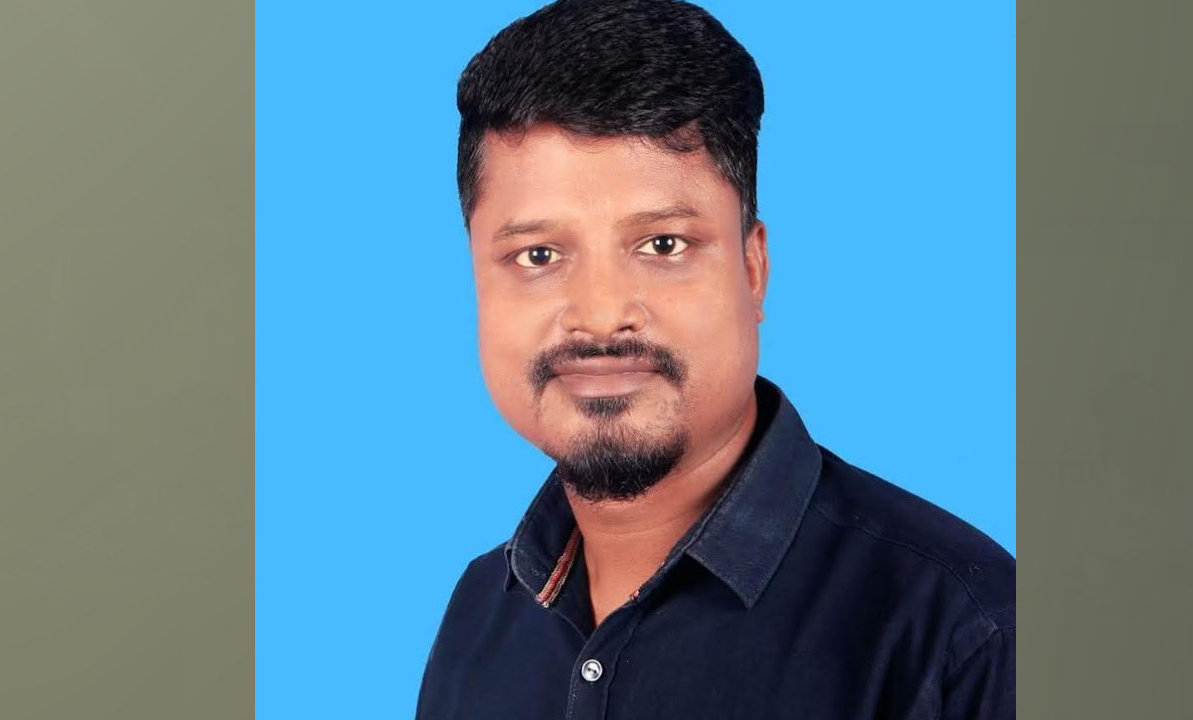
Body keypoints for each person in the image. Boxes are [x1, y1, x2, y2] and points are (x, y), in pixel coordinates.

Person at [416, 1, 1015, 718]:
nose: (601, 314)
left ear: (753, 270)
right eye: (538, 255)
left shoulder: (962, 633)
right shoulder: (481, 614)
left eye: (663, 245)